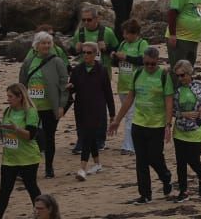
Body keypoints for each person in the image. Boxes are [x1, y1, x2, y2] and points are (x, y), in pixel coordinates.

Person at [109, 46, 175, 202]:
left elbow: (169, 102)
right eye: (147, 63)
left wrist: (168, 124)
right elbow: (130, 98)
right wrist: (117, 120)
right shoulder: (138, 73)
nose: (150, 67)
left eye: (153, 64)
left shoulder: (164, 76)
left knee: (154, 157)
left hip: (157, 125)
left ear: (157, 61)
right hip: (138, 123)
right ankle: (145, 194)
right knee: (141, 160)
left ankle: (165, 177)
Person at [17, 33, 66, 181]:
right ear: (36, 45)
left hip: (50, 107)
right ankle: (28, 168)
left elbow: (64, 84)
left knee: (49, 137)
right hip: (32, 108)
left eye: (48, 43)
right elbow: (22, 84)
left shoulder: (57, 61)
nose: (46, 46)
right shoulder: (29, 62)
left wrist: (61, 106)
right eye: (43, 43)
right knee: (32, 137)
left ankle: (49, 168)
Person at [0, 82, 43, 218]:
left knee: (32, 188)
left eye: (10, 96)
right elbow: (6, 133)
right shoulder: (7, 111)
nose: (8, 99)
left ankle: (42, 214)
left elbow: (30, 136)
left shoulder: (30, 111)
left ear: (20, 96)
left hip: (28, 157)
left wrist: (16, 129)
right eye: (7, 96)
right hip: (9, 158)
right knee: (4, 190)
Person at [67, 37, 115, 179]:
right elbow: (72, 89)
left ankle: (82, 168)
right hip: (81, 108)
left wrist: (112, 114)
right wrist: (69, 89)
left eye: (89, 53)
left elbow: (108, 92)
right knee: (89, 136)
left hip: (97, 109)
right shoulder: (77, 70)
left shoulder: (102, 70)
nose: (86, 55)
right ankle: (97, 164)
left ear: (95, 54)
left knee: (87, 136)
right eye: (84, 52)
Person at [169, 59, 201, 200]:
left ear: (190, 73)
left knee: (193, 159)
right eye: (177, 75)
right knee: (181, 162)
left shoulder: (200, 86)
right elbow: (170, 110)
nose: (180, 78)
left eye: (183, 75)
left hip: (197, 129)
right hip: (180, 130)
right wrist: (183, 114)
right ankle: (183, 191)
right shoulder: (175, 90)